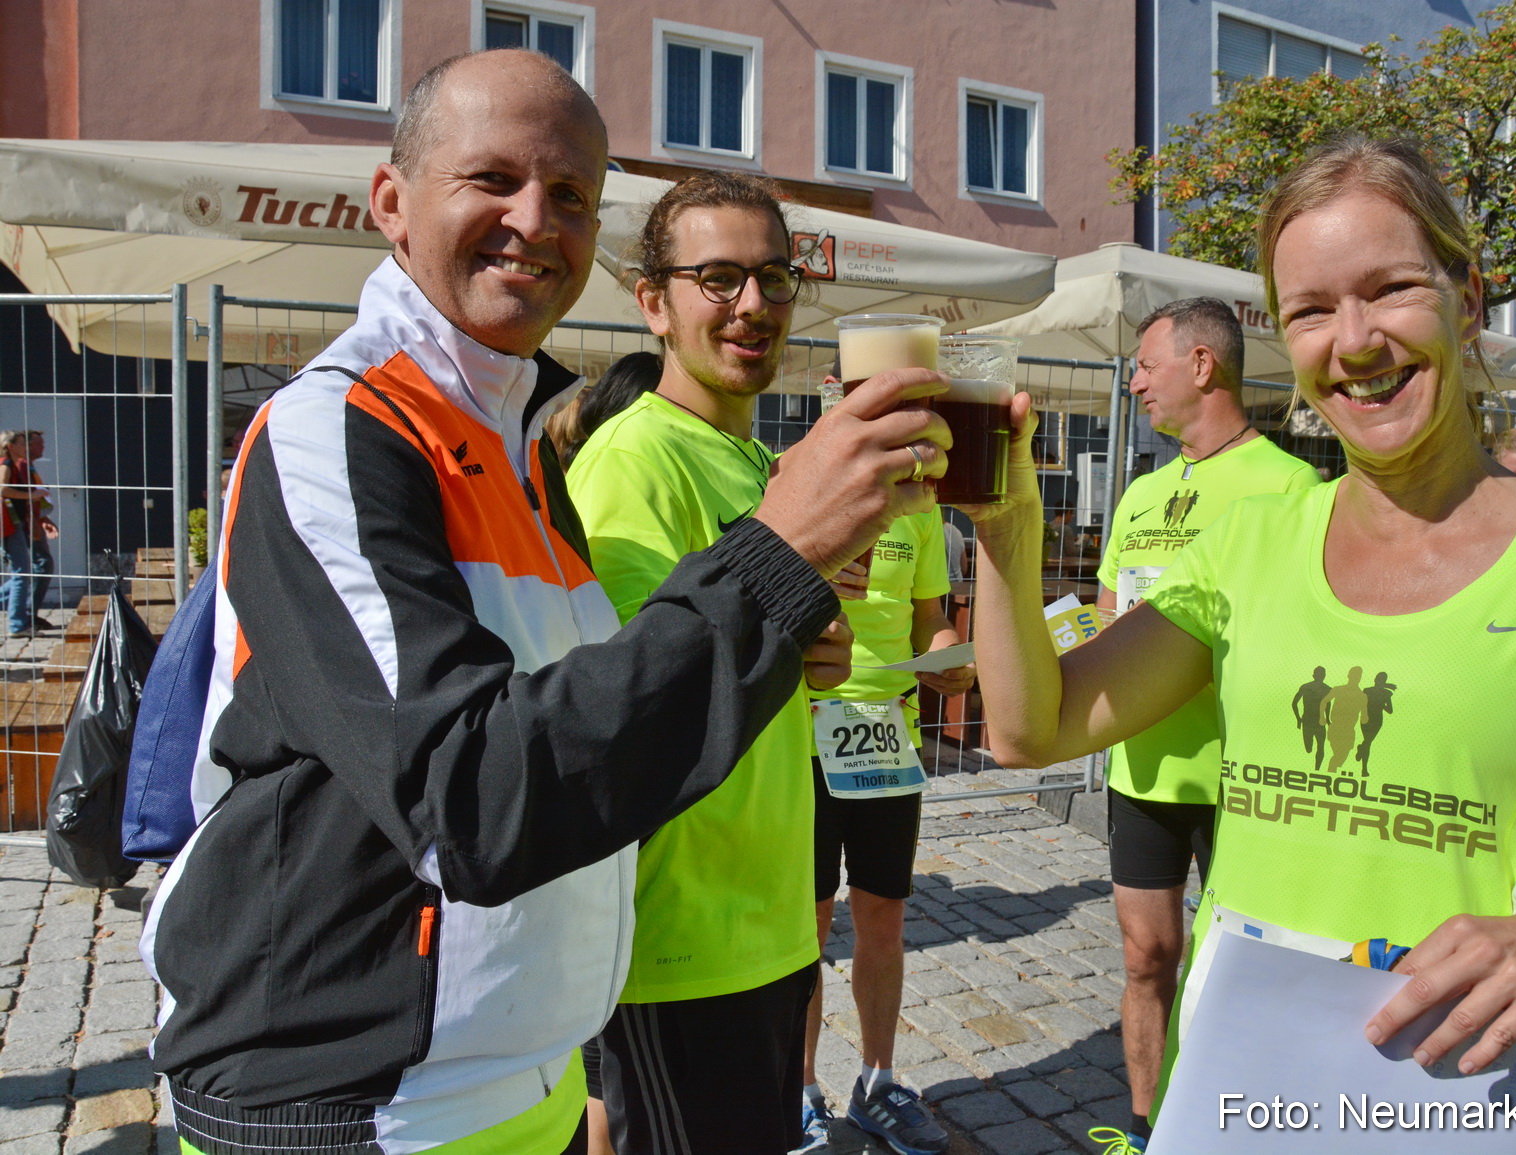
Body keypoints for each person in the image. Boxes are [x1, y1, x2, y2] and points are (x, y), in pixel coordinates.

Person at [139, 50, 950, 1155]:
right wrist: (772, 562)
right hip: (354, 1106)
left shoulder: (519, 445)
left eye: (570, 193)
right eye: (492, 179)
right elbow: (469, 797)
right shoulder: (338, 428)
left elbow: (579, 708)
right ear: (391, 203)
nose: (536, 218)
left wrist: (766, 642)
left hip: (520, 1088)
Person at [965, 137, 1516, 1149]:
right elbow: (1034, 726)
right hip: (1260, 1101)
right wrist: (1007, 530)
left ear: (1466, 299)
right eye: (1313, 311)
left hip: (1498, 1111)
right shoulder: (1248, 544)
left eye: (1389, 289)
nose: (1356, 340)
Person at [568, 171, 937, 1154]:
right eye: (718, 277)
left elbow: (753, 661)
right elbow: (624, 704)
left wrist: (812, 650)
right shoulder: (634, 460)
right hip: (679, 942)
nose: (754, 306)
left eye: (773, 278)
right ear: (653, 301)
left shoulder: (750, 461)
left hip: (767, 930)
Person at [1089, 297, 1318, 1148]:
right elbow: (1110, 619)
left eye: (1148, 363)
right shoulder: (1142, 492)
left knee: (1247, 974)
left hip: (1247, 776)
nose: (1136, 380)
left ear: (1203, 365)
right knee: (1146, 956)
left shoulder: (1292, 488)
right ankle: (1147, 1128)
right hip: (1142, 771)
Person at [799, 479, 972, 1154]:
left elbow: (929, 614)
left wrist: (948, 656)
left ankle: (877, 1082)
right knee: (805, 924)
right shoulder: (808, 475)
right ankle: (801, 1089)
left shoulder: (923, 505)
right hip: (806, 728)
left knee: (883, 916)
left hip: (887, 736)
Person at [0, 429, 56, 635]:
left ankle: (21, 619)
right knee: (25, 571)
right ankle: (19, 622)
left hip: (15, 524)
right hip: (10, 525)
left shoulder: (17, 464)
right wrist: (32, 496)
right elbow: (3, 489)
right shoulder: (8, 463)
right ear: (11, 446)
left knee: (24, 572)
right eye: (24, 444)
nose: (28, 448)